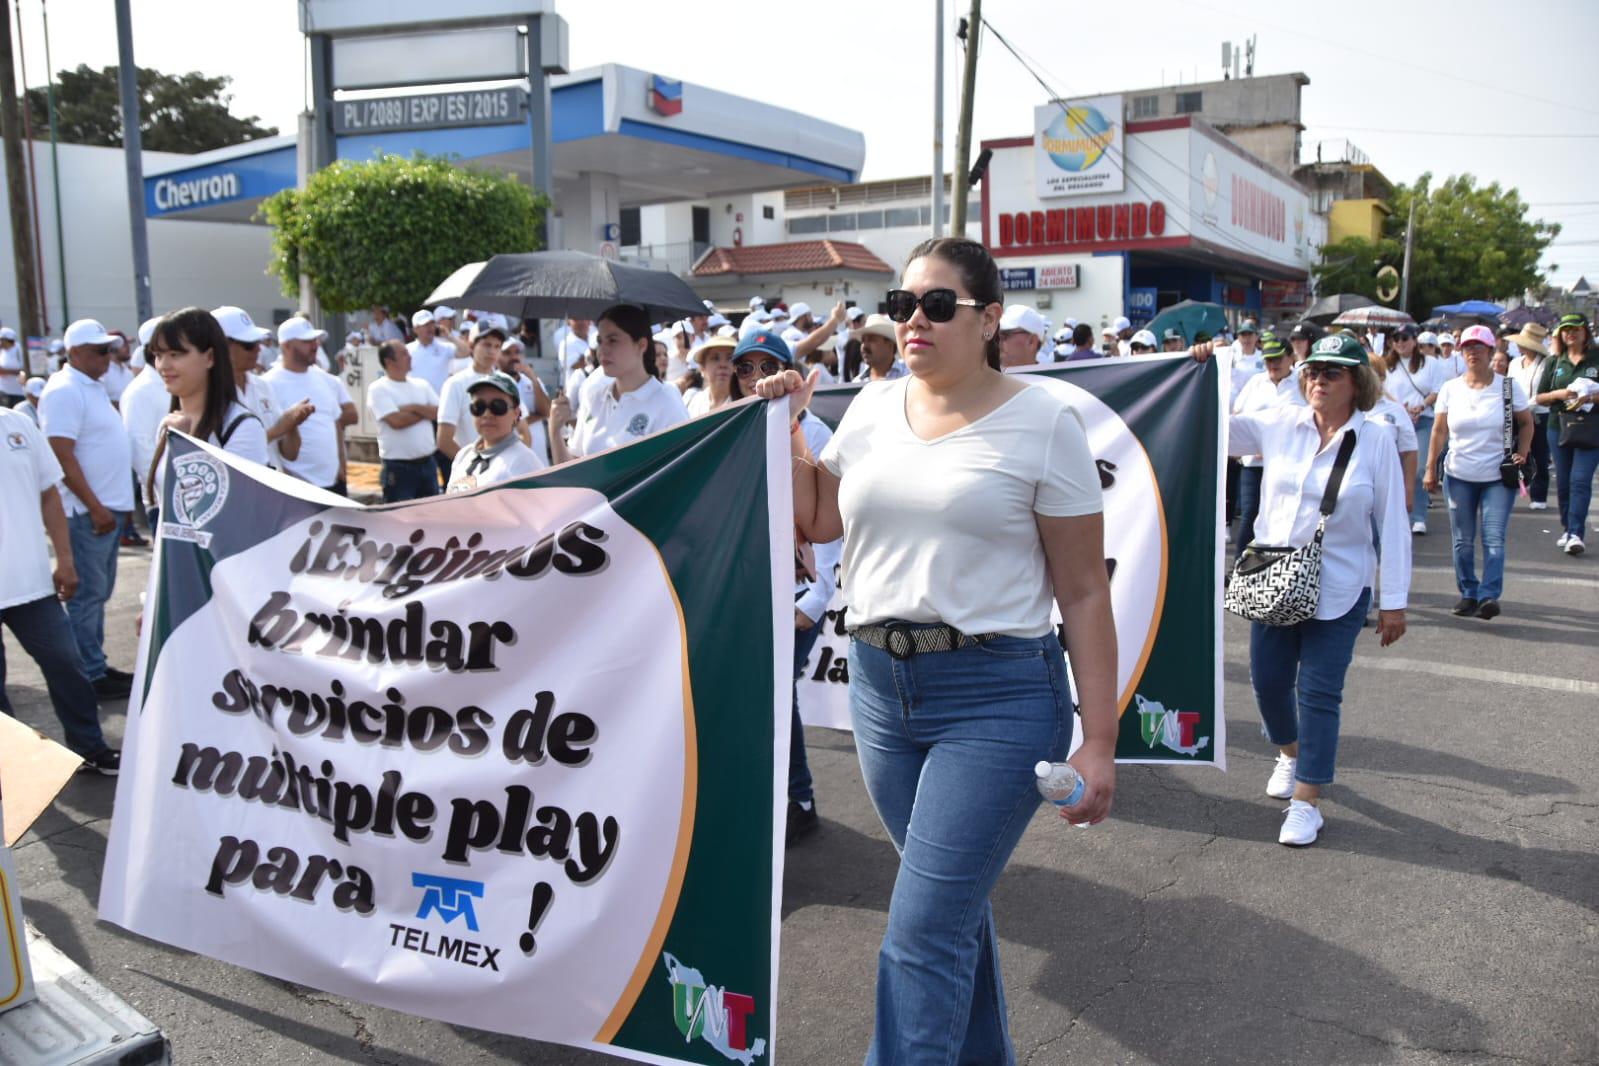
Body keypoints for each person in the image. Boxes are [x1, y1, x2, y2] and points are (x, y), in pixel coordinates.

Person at [759, 236, 1114, 1062]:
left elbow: (1085, 591)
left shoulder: (1045, 420)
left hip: (996, 699)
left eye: (936, 305)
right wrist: (787, 427)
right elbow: (817, 517)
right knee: (948, 915)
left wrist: (1098, 740)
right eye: (901, 305)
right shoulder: (878, 405)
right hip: (882, 694)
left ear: (988, 318)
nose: (913, 320)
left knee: (919, 933)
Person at [1207, 331, 1409, 845]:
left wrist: (1395, 602)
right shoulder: (1281, 424)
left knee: (1320, 692)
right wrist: (1210, 370)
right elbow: (1213, 431)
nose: (1318, 379)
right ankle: (1291, 754)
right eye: (1313, 370)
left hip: (1341, 587)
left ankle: (1307, 799)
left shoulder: (1377, 437)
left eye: (1332, 372)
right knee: (1268, 684)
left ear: (1356, 382)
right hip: (1274, 582)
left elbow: (1392, 522)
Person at [0, 404, 119, 773]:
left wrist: (65, 560)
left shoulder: (17, 423)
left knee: (68, 665)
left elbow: (49, 493)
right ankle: (10, 771)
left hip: (32, 585)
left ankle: (89, 748)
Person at [37, 319, 136, 700]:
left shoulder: (89, 386)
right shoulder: (64, 390)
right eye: (98, 350)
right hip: (88, 512)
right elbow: (60, 454)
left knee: (97, 594)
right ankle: (87, 675)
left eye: (108, 349)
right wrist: (95, 506)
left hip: (105, 508)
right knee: (87, 596)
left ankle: (93, 665)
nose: (107, 357)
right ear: (73, 352)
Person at [1424, 325, 1533, 617]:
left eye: (1479, 347)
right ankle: (1468, 592)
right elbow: (1438, 431)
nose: (1473, 352)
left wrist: (1522, 453)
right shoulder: (1451, 388)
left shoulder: (1508, 387)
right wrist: (1430, 468)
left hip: (1498, 476)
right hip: (1459, 475)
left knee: (1493, 538)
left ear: (1490, 351)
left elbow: (1526, 422)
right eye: (1467, 347)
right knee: (1462, 540)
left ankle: (1488, 595)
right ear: (1462, 352)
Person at [145, 308, 272, 503]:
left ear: (210, 357)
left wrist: (185, 448)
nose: (163, 365)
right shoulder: (170, 423)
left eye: (175, 354)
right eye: (159, 355)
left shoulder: (242, 427)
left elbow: (234, 509)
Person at [550, 304, 689, 461]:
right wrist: (555, 433)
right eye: (599, 341)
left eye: (613, 340)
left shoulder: (667, 404)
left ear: (641, 345)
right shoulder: (594, 397)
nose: (602, 350)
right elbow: (572, 470)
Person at [263, 316, 356, 494]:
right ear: (286, 346)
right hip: (296, 489)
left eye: (315, 340)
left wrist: (341, 467)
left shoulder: (325, 379)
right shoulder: (268, 384)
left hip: (334, 483)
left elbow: (335, 423)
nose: (315, 346)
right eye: (307, 341)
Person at [213, 306, 307, 475]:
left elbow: (290, 454)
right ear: (222, 346)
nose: (258, 349)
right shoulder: (207, 396)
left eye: (258, 342)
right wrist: (279, 428)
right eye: (248, 344)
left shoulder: (263, 386)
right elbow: (225, 457)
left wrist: (292, 424)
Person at [1534, 313, 1599, 555]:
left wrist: (1590, 397)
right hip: (1558, 426)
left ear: (1585, 332)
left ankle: (1575, 533)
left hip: (1591, 426)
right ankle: (1568, 526)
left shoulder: (1596, 357)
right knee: (1563, 482)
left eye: (1576, 328)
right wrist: (1559, 395)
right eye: (1565, 329)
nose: (1570, 333)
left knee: (1580, 480)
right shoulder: (1554, 362)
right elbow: (1539, 396)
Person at [1230, 332, 1296, 561]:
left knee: (1283, 514)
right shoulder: (1256, 383)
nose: (1272, 364)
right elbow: (1237, 415)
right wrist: (1253, 443)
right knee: (1250, 513)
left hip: (1288, 462)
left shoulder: (1302, 384)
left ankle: (1278, 565)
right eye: (1268, 359)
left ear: (1291, 358)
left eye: (1278, 359)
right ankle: (1240, 564)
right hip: (1254, 462)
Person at [437, 319, 531, 461]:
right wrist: (473, 467)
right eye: (486, 344)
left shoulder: (507, 381)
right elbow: (444, 440)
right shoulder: (455, 384)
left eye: (497, 346)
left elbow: (524, 431)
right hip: (473, 477)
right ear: (471, 345)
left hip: (507, 474)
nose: (492, 351)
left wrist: (515, 464)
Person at [1384, 324, 1447, 535]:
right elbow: (1381, 390)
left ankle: (1419, 516)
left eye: (1405, 338)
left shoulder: (1431, 363)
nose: (1400, 342)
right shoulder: (1387, 365)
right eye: (1396, 338)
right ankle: (1395, 514)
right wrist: (1399, 407)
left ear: (1414, 340)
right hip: (1393, 421)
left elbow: (1438, 390)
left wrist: (1423, 405)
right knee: (1393, 469)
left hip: (1423, 420)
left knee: (1419, 468)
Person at [366, 339, 441, 502]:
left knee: (431, 516)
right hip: (399, 469)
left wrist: (413, 407)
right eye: (404, 354)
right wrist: (424, 411)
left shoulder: (422, 384)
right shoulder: (378, 389)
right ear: (389, 361)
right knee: (399, 520)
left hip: (428, 463)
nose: (410, 356)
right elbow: (397, 422)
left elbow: (438, 413)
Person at [446, 372, 545, 492]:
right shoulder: (463, 455)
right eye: (479, 406)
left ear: (516, 413)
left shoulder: (524, 462)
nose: (487, 414)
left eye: (498, 406)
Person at [120, 318, 172, 525]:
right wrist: (174, 491)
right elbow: (141, 450)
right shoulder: (140, 391)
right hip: (165, 502)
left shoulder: (173, 383)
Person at [1507, 324, 1552, 510]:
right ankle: (1511, 485)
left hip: (1539, 413)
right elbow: (1508, 386)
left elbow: (1546, 390)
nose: (1519, 346)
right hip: (1515, 414)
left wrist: (1528, 407)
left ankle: (1539, 495)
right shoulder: (1515, 363)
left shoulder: (1546, 363)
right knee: (1512, 453)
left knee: (1540, 455)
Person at [406, 309, 457, 396]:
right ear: (415, 329)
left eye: (431, 324)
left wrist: (449, 336)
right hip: (418, 401)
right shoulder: (406, 350)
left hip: (441, 400)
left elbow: (465, 352)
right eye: (425, 325)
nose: (429, 327)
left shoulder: (445, 346)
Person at [685, 334, 736, 417]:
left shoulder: (745, 401)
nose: (722, 365)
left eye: (730, 358)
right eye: (715, 358)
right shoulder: (695, 402)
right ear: (703, 367)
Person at [850, 313, 909, 381]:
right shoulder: (858, 382)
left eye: (871, 339)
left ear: (890, 345)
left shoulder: (910, 375)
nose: (864, 346)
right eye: (863, 341)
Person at [0, 326, 26, 406]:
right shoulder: (2, 351)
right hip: (3, 392)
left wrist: (6, 371)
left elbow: (24, 370)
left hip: (18, 392)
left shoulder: (19, 349)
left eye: (1, 340)